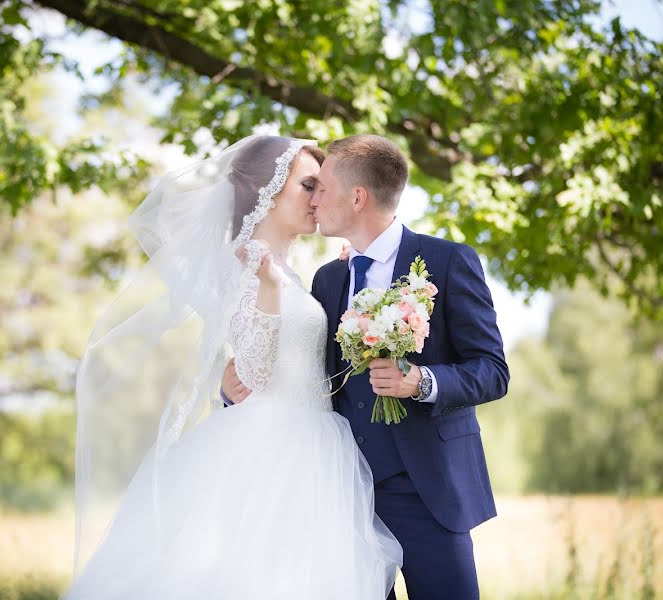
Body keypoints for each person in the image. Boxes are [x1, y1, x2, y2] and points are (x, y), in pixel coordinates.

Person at [65, 135, 402, 600]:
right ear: (268, 190)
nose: (320, 197)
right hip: (275, 446)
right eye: (309, 185)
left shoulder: (289, 272)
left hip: (314, 437)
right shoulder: (247, 266)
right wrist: (265, 291)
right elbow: (258, 373)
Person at [222, 134, 510, 599]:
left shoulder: (447, 261)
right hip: (340, 492)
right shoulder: (328, 278)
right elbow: (298, 365)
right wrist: (232, 385)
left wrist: (422, 381)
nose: (315, 199)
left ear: (357, 197)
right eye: (308, 187)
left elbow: (493, 370)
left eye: (322, 186)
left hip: (427, 492)